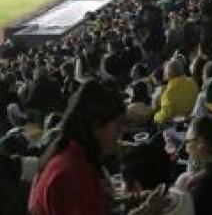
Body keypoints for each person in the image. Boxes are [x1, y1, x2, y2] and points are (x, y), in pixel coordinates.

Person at [29, 80, 169, 215]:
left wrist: (132, 199)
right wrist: (146, 210)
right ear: (96, 127)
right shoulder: (72, 172)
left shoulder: (67, 153)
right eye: (118, 127)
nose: (121, 134)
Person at [153, 59, 199, 125]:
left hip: (178, 124)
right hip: (193, 119)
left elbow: (164, 116)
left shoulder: (167, 92)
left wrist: (155, 117)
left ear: (167, 74)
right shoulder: (193, 82)